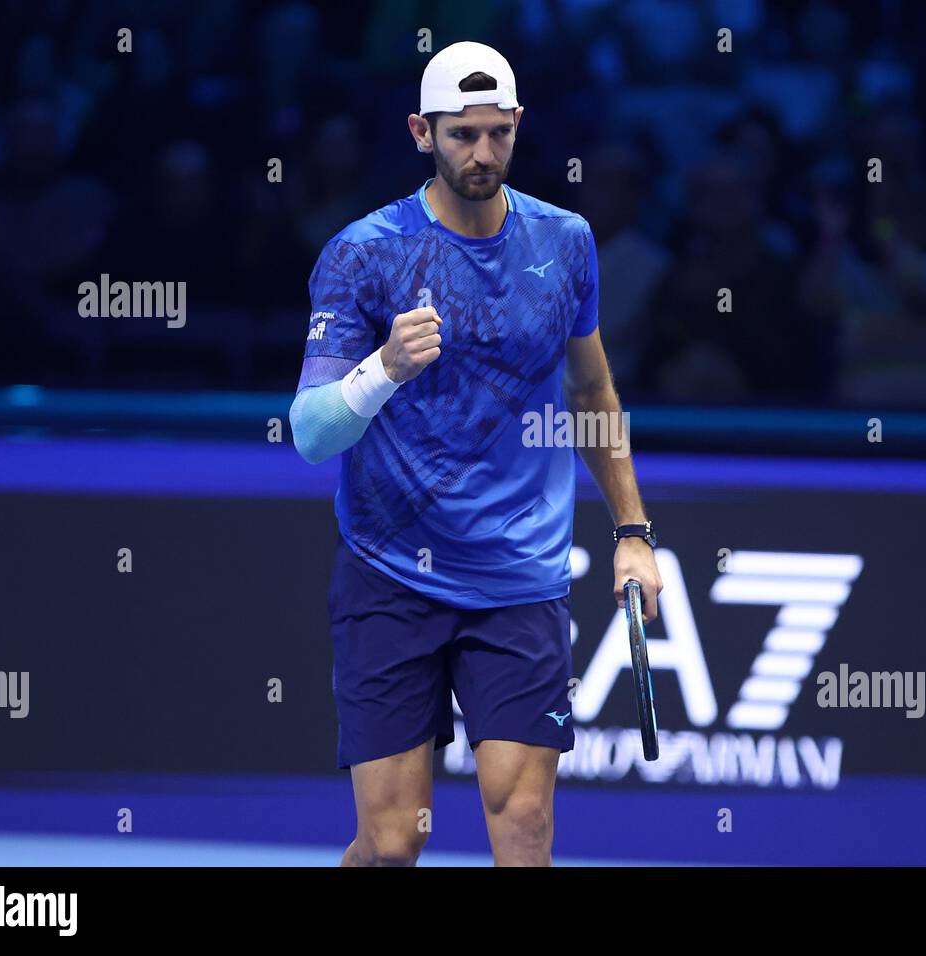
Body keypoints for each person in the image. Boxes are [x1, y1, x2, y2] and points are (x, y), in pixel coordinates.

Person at [288, 41, 663, 867]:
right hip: (389, 575)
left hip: (518, 579)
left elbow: (594, 395)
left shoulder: (565, 242)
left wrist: (633, 534)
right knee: (389, 846)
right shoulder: (364, 253)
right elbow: (312, 435)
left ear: (520, 125)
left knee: (523, 829)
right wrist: (382, 368)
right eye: (462, 135)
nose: (483, 154)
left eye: (499, 133)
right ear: (422, 131)